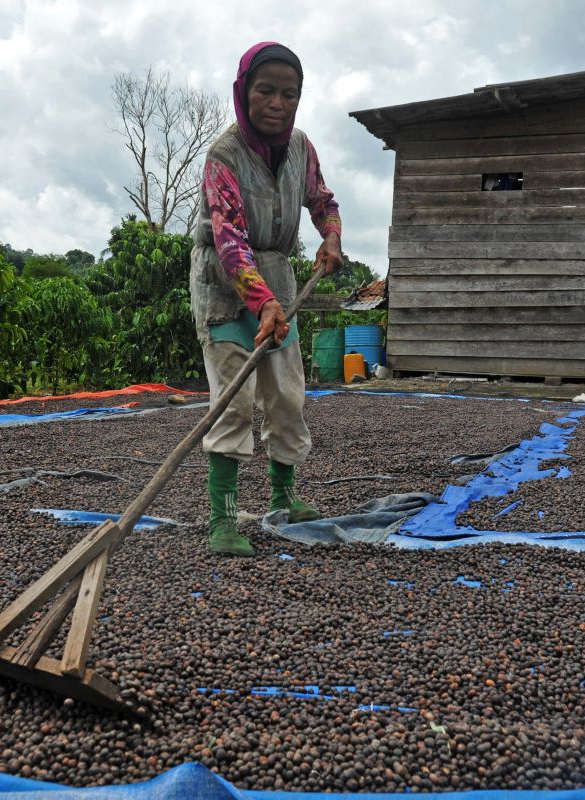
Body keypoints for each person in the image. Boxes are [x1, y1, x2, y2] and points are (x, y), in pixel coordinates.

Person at [190, 41, 343, 557]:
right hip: (225, 285)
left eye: (289, 94)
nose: (278, 103)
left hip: (278, 275)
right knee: (233, 401)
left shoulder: (301, 147)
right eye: (266, 91)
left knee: (287, 395)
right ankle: (223, 519)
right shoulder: (223, 156)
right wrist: (261, 303)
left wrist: (331, 236)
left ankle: (286, 495)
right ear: (243, 92)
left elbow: (323, 201)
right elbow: (229, 238)